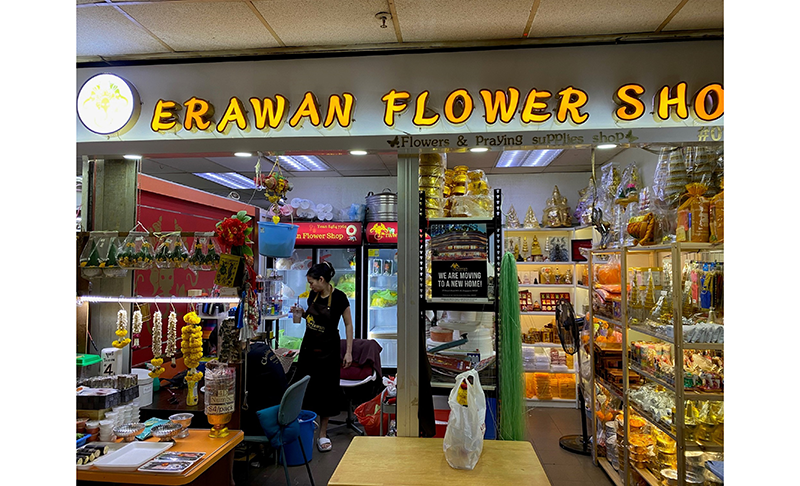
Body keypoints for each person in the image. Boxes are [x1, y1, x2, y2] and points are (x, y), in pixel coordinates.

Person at [290, 261, 353, 453]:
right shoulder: (313, 295)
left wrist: (348, 351)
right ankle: (305, 428)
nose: (310, 286)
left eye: (312, 282)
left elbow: (349, 325)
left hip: (329, 351)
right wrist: (300, 314)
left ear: (322, 279)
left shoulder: (340, 298)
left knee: (327, 392)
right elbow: (311, 320)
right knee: (304, 390)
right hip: (309, 348)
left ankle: (323, 434)